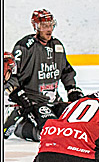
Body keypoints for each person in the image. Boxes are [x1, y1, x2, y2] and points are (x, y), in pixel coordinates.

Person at [6, 10, 84, 142]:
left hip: (55, 101)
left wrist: (71, 88)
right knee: (49, 132)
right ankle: (19, 125)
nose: (48, 29)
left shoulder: (57, 45)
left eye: (50, 25)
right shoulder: (24, 47)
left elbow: (66, 70)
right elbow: (12, 74)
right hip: (33, 102)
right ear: (35, 27)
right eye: (44, 26)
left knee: (77, 124)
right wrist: (18, 94)